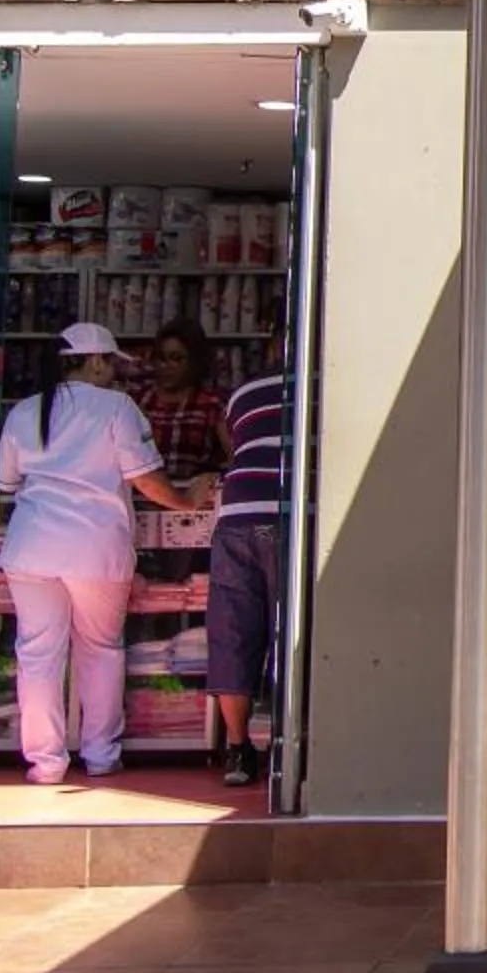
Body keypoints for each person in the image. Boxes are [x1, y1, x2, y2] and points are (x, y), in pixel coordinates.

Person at [0, 323, 209, 785]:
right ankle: (100, 755)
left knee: (37, 655)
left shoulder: (25, 411)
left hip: (31, 549)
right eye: (111, 362)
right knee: (101, 651)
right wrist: (189, 501)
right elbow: (147, 479)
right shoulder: (117, 408)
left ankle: (46, 763)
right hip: (95, 550)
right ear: (94, 361)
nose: (115, 372)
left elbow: (4, 485)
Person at [207, 330, 290, 788]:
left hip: (236, 513)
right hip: (289, 516)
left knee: (234, 631)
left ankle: (238, 751)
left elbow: (233, 445)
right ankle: (288, 742)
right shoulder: (325, 384)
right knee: (293, 633)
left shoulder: (243, 393)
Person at [134, 318, 230, 487]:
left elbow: (233, 457)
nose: (166, 366)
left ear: (194, 362)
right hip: (144, 497)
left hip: (195, 500)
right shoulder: (140, 400)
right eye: (161, 358)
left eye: (176, 358)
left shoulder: (211, 403)